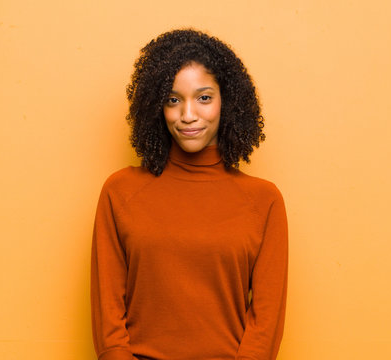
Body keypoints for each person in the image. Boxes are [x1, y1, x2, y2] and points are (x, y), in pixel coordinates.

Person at [91, 29, 288, 360]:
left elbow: (265, 324)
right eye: (173, 99)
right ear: (157, 106)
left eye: (204, 98)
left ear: (228, 103)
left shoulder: (263, 201)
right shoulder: (120, 192)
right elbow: (108, 315)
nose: (187, 115)